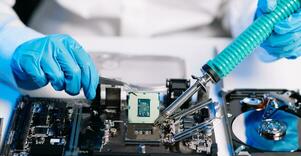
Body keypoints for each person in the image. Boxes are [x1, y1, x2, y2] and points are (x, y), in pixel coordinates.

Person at [0, 0, 300, 100]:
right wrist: (15, 45)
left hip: (201, 49)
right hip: (57, 59)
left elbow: (246, 5)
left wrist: (265, 25)